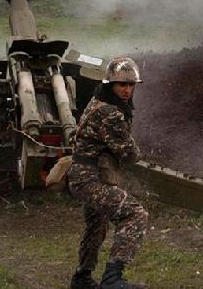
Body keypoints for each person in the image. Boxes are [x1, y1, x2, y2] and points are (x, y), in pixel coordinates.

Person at [68, 57, 149, 289]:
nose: (127, 90)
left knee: (97, 225)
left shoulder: (97, 101)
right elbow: (128, 153)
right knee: (135, 214)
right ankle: (113, 279)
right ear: (109, 85)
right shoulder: (110, 113)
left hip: (85, 176)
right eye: (121, 84)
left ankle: (82, 278)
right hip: (90, 179)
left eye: (131, 85)